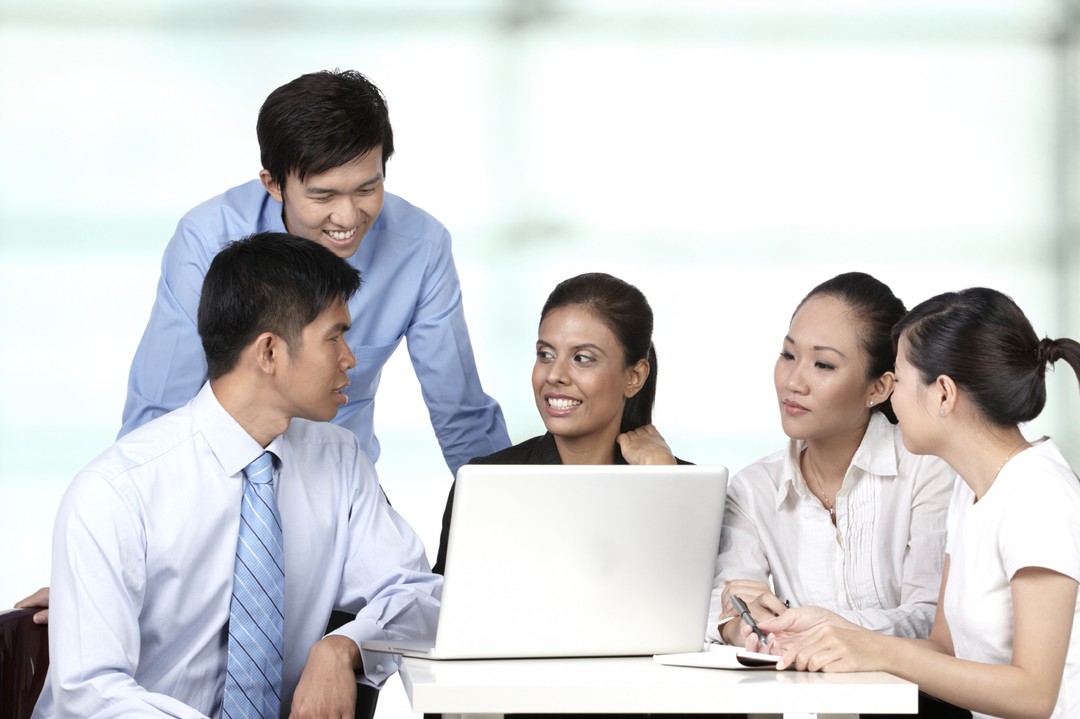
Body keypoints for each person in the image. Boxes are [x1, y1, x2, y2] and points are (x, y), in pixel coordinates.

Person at [31, 232, 441, 719]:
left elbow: (420, 595)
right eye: (335, 337)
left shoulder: (339, 462)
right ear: (268, 352)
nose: (350, 358)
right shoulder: (118, 490)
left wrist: (344, 646)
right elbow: (90, 691)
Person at [121, 68, 509, 475]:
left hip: (343, 484)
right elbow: (160, 410)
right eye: (323, 196)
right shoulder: (206, 240)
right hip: (218, 476)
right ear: (274, 184)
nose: (348, 217)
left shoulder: (421, 246)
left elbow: (460, 412)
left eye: (367, 189)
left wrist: (504, 502)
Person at [744, 287, 1080, 719]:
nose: (891, 400)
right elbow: (943, 649)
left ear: (943, 394)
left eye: (899, 381)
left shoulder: (1038, 495)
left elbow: (1034, 695)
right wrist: (828, 628)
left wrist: (878, 651)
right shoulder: (971, 489)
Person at [709, 272, 955, 647]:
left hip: (908, 686)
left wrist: (803, 625)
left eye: (823, 365)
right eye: (788, 355)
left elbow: (930, 618)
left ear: (879, 387)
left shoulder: (928, 469)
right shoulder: (752, 489)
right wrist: (740, 626)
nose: (793, 381)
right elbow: (722, 604)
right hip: (796, 682)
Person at [432, 271, 686, 575]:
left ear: (634, 377)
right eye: (546, 354)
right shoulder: (484, 484)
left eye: (582, 358)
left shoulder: (685, 484)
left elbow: (690, 594)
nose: (554, 375)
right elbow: (446, 601)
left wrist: (665, 484)